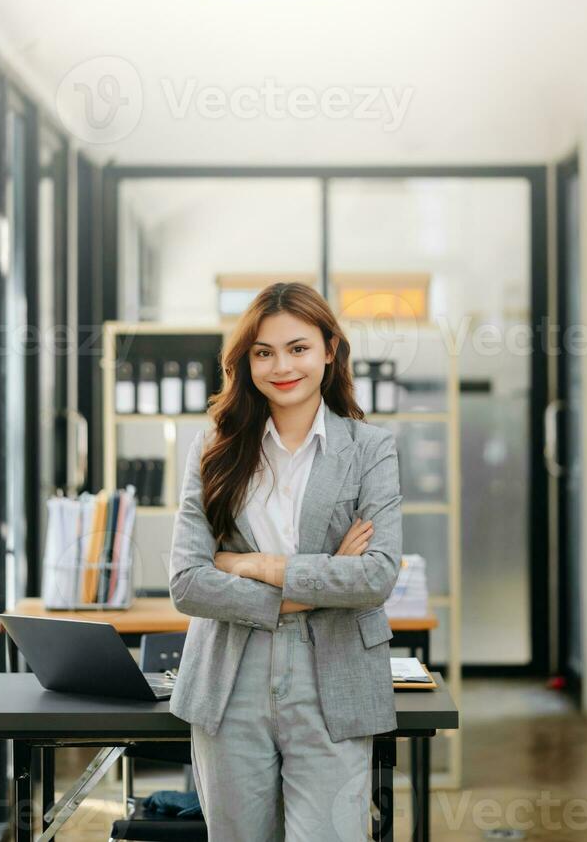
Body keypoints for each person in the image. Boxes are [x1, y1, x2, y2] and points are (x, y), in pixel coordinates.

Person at [168, 281, 403, 841]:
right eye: (263, 352)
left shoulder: (370, 448)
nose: (281, 366)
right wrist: (323, 577)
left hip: (336, 675)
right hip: (230, 675)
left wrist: (254, 565)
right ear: (245, 361)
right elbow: (187, 583)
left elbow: (376, 575)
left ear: (329, 350)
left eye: (297, 348)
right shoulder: (213, 449)